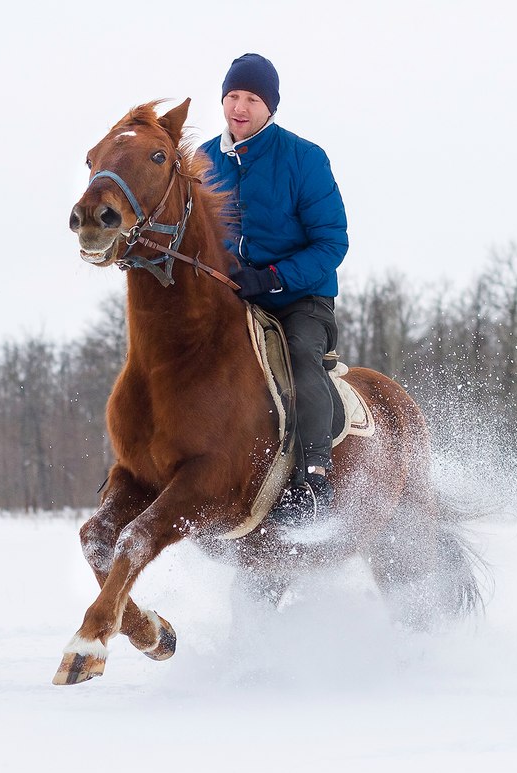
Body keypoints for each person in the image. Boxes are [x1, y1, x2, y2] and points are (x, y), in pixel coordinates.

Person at [199, 53, 349, 525]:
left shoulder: (305, 158)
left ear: (271, 107)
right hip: (231, 296)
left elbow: (332, 242)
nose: (239, 107)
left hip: (300, 298)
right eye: (232, 96)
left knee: (301, 352)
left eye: (252, 98)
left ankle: (314, 479)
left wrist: (274, 276)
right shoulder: (202, 161)